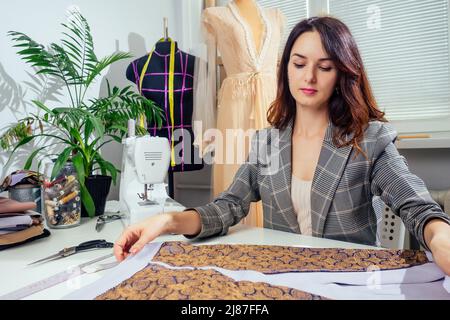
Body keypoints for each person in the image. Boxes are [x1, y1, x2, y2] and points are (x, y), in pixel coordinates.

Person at [114, 16, 450, 276]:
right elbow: (228, 207)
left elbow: (417, 207)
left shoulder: (370, 139)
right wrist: (167, 221)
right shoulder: (266, 141)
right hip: (284, 278)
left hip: (348, 280)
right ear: (285, 68)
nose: (309, 78)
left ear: (342, 75)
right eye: (299, 64)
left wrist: (441, 237)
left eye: (325, 67)